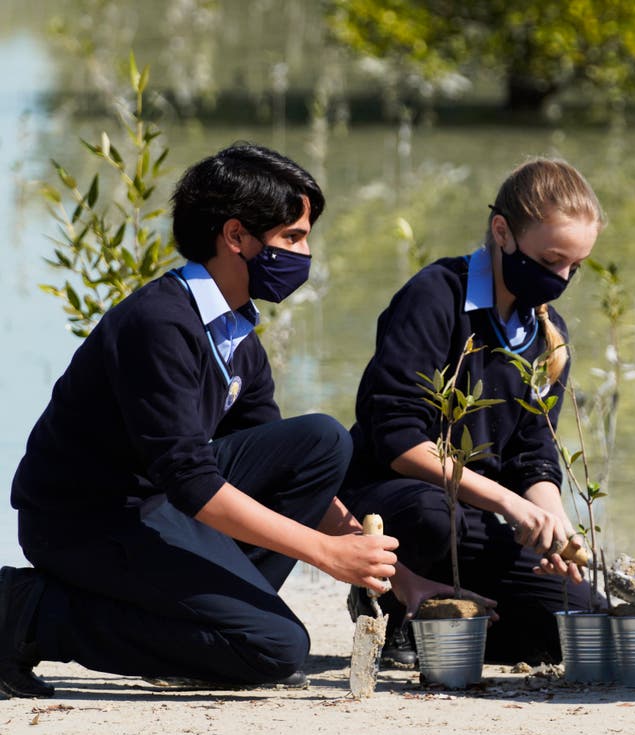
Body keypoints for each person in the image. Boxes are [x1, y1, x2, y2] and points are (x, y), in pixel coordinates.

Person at [1, 143, 463, 700]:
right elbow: (192, 482)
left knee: (320, 441)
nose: (305, 253)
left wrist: (401, 582)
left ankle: (200, 626)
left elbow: (286, 468)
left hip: (159, 507)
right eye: (292, 237)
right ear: (237, 236)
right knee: (273, 649)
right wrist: (325, 555)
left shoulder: (235, 329)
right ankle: (25, 611)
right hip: (87, 521)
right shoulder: (159, 323)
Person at [340, 157, 603, 666]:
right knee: (434, 518)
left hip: (478, 513)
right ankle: (387, 594)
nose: (562, 278)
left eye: (575, 266)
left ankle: (452, 622)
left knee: (574, 627)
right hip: (398, 498)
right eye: (550, 261)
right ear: (502, 231)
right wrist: (508, 504)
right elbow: (394, 437)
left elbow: (534, 448)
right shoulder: (435, 296)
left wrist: (549, 519)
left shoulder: (550, 336)